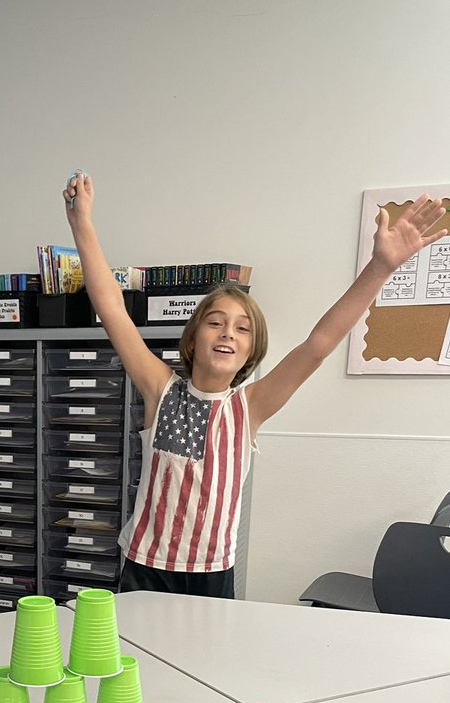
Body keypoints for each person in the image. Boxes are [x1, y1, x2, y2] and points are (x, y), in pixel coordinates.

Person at [63, 173, 447, 599]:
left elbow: (318, 344)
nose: (228, 333)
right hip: (146, 566)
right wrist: (82, 224)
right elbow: (112, 309)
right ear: (192, 339)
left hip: (211, 571)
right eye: (216, 322)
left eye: (242, 329)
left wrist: (379, 269)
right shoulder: (160, 388)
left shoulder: (251, 406)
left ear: (252, 350)